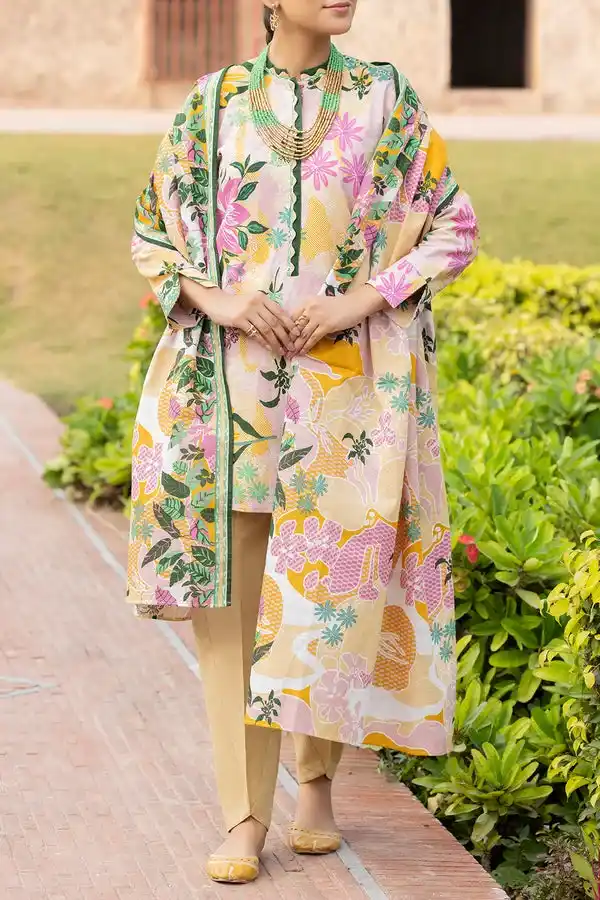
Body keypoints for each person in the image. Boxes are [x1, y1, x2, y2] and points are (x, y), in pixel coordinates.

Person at [128, 0, 478, 885]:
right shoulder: (212, 104)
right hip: (228, 396)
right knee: (234, 607)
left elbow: (453, 228)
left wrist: (359, 300)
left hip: (346, 401)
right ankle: (244, 813)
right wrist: (222, 299)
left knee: (327, 595)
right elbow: (152, 234)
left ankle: (315, 782)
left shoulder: (386, 100)